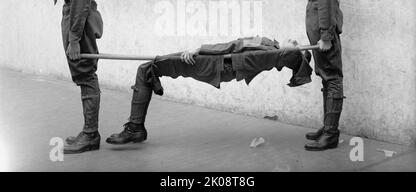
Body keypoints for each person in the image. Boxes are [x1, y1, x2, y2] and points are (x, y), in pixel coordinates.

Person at [105, 37, 313, 145]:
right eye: (297, 42)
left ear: (291, 55)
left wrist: (199, 50)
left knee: (147, 68)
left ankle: (135, 129)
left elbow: (232, 46)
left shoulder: (275, 53)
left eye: (298, 46)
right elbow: (235, 44)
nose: (296, 42)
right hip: (215, 60)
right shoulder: (271, 45)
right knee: (149, 68)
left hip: (213, 62)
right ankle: (136, 126)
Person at [295, 0, 348, 151]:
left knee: (332, 77)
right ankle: (326, 127)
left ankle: (331, 134)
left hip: (322, 18)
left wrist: (326, 34)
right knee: (324, 75)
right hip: (316, 18)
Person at [53, 0, 104, 154]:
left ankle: (91, 135)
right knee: (84, 74)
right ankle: (88, 132)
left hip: (79, 21)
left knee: (86, 74)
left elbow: (81, 1)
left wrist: (74, 39)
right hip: (75, 17)